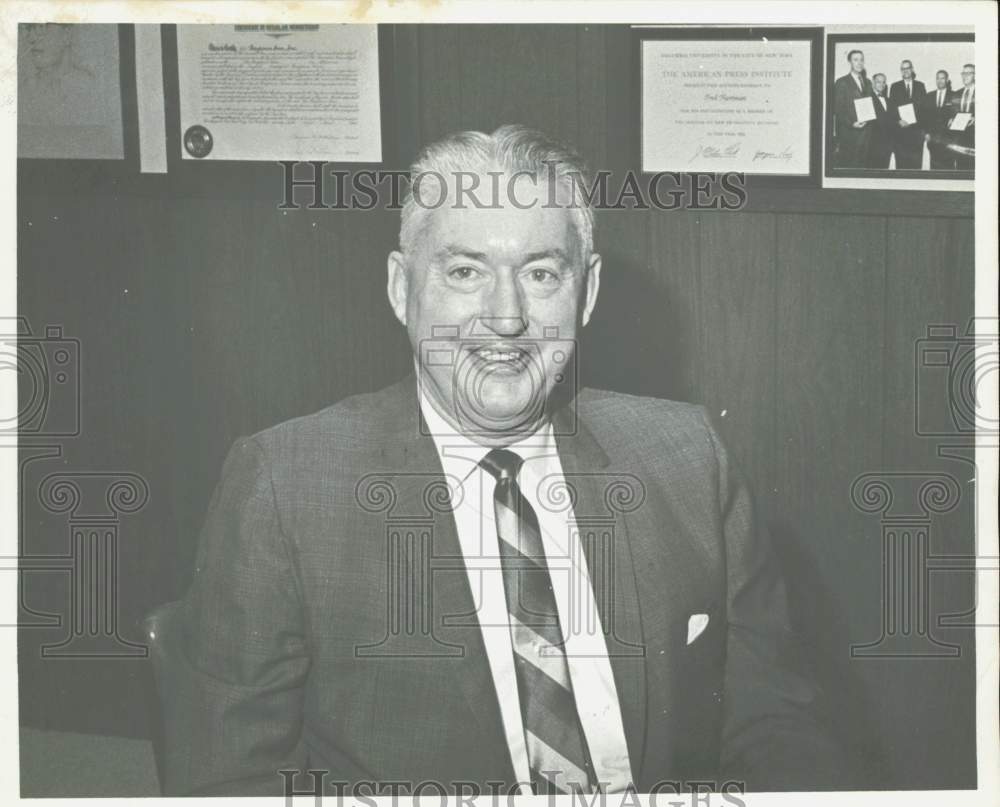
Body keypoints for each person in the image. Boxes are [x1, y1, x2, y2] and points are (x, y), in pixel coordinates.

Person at [151, 125, 844, 797]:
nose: (506, 316)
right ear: (401, 288)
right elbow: (228, 779)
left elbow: (779, 726)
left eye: (541, 273)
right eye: (464, 271)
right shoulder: (287, 487)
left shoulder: (689, 458)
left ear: (588, 292)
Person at [832, 49, 873, 168]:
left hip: (866, 135)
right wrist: (851, 123)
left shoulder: (868, 82)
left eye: (861, 60)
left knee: (863, 168)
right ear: (849, 62)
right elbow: (838, 109)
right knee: (849, 167)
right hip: (849, 134)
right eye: (855, 60)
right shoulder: (841, 82)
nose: (859, 63)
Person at [888, 60, 926, 169]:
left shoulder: (920, 86)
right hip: (901, 132)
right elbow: (891, 108)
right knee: (901, 164)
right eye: (903, 69)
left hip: (916, 133)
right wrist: (898, 120)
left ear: (912, 69)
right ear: (901, 71)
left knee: (916, 165)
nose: (905, 71)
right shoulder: (895, 86)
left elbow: (924, 109)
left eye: (907, 68)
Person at [922, 70, 957, 170]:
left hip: (949, 138)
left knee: (949, 167)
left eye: (942, 78)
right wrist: (926, 133)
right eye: (938, 78)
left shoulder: (954, 95)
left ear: (947, 80)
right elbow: (924, 117)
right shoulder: (929, 96)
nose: (940, 81)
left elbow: (957, 114)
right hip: (933, 139)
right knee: (934, 167)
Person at [867, 73, 896, 169]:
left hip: (887, 146)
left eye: (883, 82)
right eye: (878, 82)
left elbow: (892, 121)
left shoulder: (889, 100)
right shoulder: (866, 99)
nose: (882, 84)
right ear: (872, 83)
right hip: (873, 146)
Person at [950, 64, 975, 170]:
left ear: (975, 75)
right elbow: (952, 113)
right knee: (960, 168)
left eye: (968, 73)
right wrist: (951, 119)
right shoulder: (957, 94)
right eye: (963, 73)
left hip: (975, 138)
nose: (965, 76)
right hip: (959, 139)